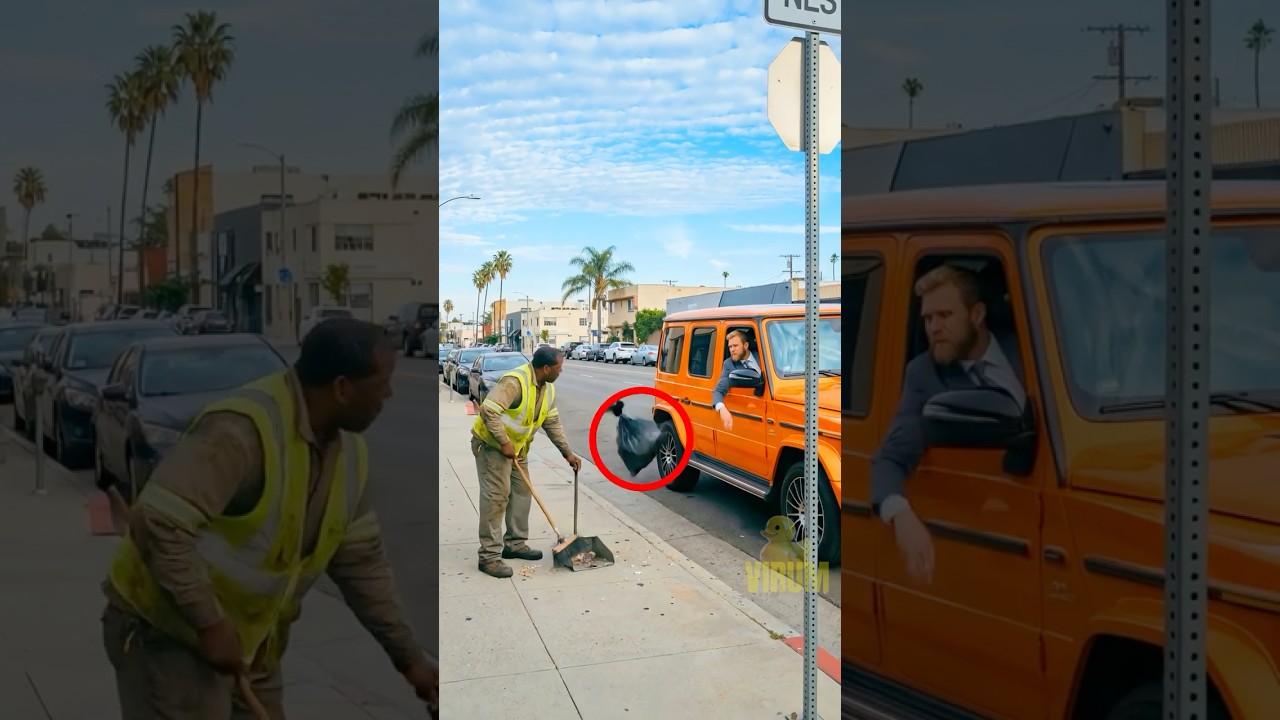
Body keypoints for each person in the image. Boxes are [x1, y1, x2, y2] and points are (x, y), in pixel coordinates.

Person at [99, 318, 439, 719]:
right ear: (342, 388)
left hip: (250, 644)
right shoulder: (239, 432)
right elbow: (158, 520)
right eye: (381, 383)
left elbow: (363, 568)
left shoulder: (349, 455)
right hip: (167, 634)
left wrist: (411, 662)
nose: (389, 393)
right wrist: (208, 623)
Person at [871, 264, 1027, 584]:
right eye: (928, 319)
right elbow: (889, 458)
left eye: (944, 315)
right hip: (983, 530)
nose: (934, 328)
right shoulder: (924, 374)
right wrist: (901, 515)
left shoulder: (1027, 350)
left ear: (977, 314)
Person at [472, 345, 582, 578]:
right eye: (559, 367)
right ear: (545, 368)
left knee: (522, 494)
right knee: (496, 497)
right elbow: (489, 411)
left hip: (517, 449)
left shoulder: (548, 389)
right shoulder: (515, 382)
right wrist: (503, 442)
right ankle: (489, 557)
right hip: (492, 446)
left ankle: (514, 544)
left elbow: (552, 423)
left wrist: (567, 454)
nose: (561, 371)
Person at [711, 329, 764, 431]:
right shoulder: (729, 364)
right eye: (730, 347)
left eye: (735, 346)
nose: (732, 350)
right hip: (750, 410)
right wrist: (722, 409)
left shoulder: (762, 356)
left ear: (746, 345)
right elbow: (718, 390)